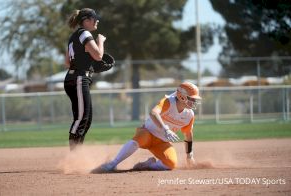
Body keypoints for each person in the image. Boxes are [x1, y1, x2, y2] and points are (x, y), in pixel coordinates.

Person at [98, 82, 202, 172]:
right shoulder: (168, 102)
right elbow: (153, 113)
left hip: (161, 142)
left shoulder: (189, 115)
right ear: (181, 96)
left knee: (171, 164)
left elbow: (188, 134)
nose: (194, 102)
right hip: (147, 133)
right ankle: (112, 164)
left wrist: (189, 156)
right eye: (191, 99)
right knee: (139, 139)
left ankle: (147, 165)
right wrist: (165, 129)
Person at [64, 8, 106, 150]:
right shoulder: (84, 33)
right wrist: (100, 41)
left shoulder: (74, 36)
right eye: (95, 18)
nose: (97, 21)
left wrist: (87, 64)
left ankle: (77, 154)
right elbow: (99, 56)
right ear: (86, 20)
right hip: (78, 79)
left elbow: (67, 62)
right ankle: (74, 157)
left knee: (86, 119)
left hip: (76, 78)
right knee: (82, 118)